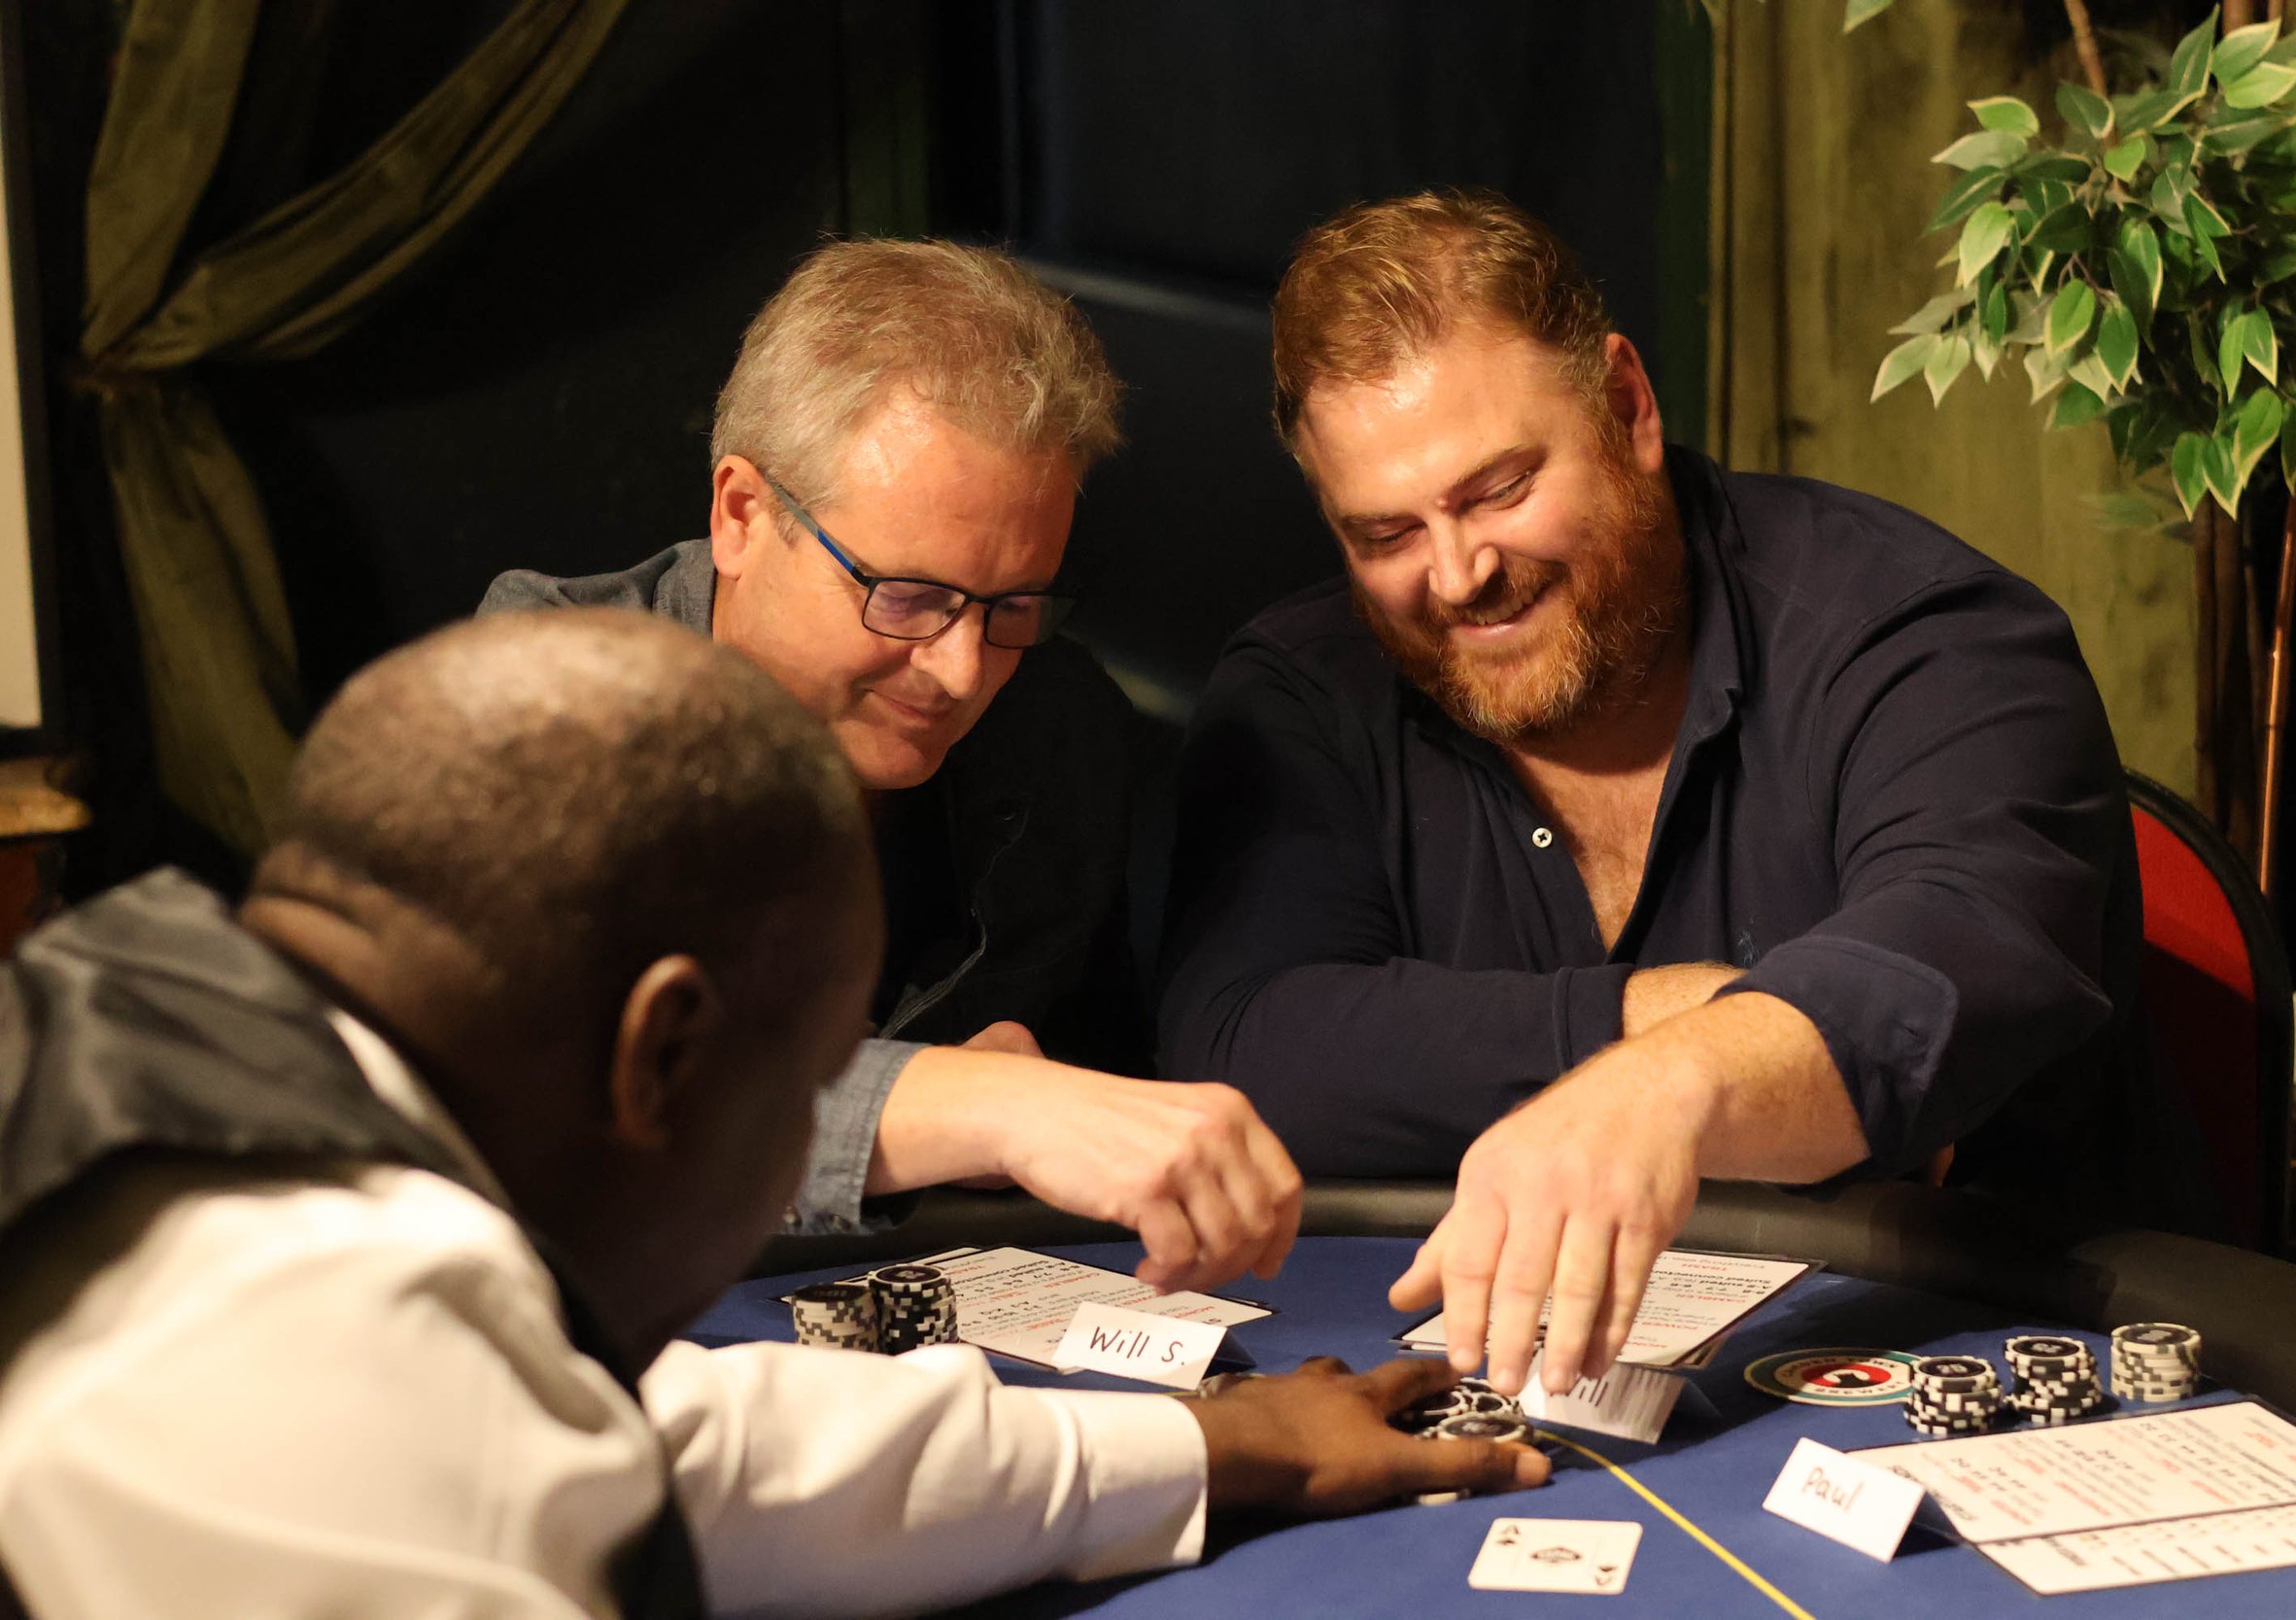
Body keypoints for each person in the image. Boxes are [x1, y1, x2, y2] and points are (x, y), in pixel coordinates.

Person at [0, 610, 1544, 1620]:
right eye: (815, 1078)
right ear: (660, 1052)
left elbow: (669, 1442)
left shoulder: (171, 1064)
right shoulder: (302, 1368)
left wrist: (1216, 1443)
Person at [1158, 190, 2171, 1400]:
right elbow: (1245, 1047)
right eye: (1385, 532)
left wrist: (1671, 1090)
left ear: (1626, 408)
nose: (1458, 573)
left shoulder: (1928, 635)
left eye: (1497, 488)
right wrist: (1652, 1020)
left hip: (1996, 1354)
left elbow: (1948, 958)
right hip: (1514, 1378)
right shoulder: (1302, 691)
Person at [485, 239, 1298, 1294]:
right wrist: (968, 1103)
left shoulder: (1057, 719)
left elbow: (1096, 1107)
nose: (963, 671)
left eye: (1012, 606)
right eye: (907, 596)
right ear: (742, 514)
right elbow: (547, 1104)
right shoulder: (537, 696)